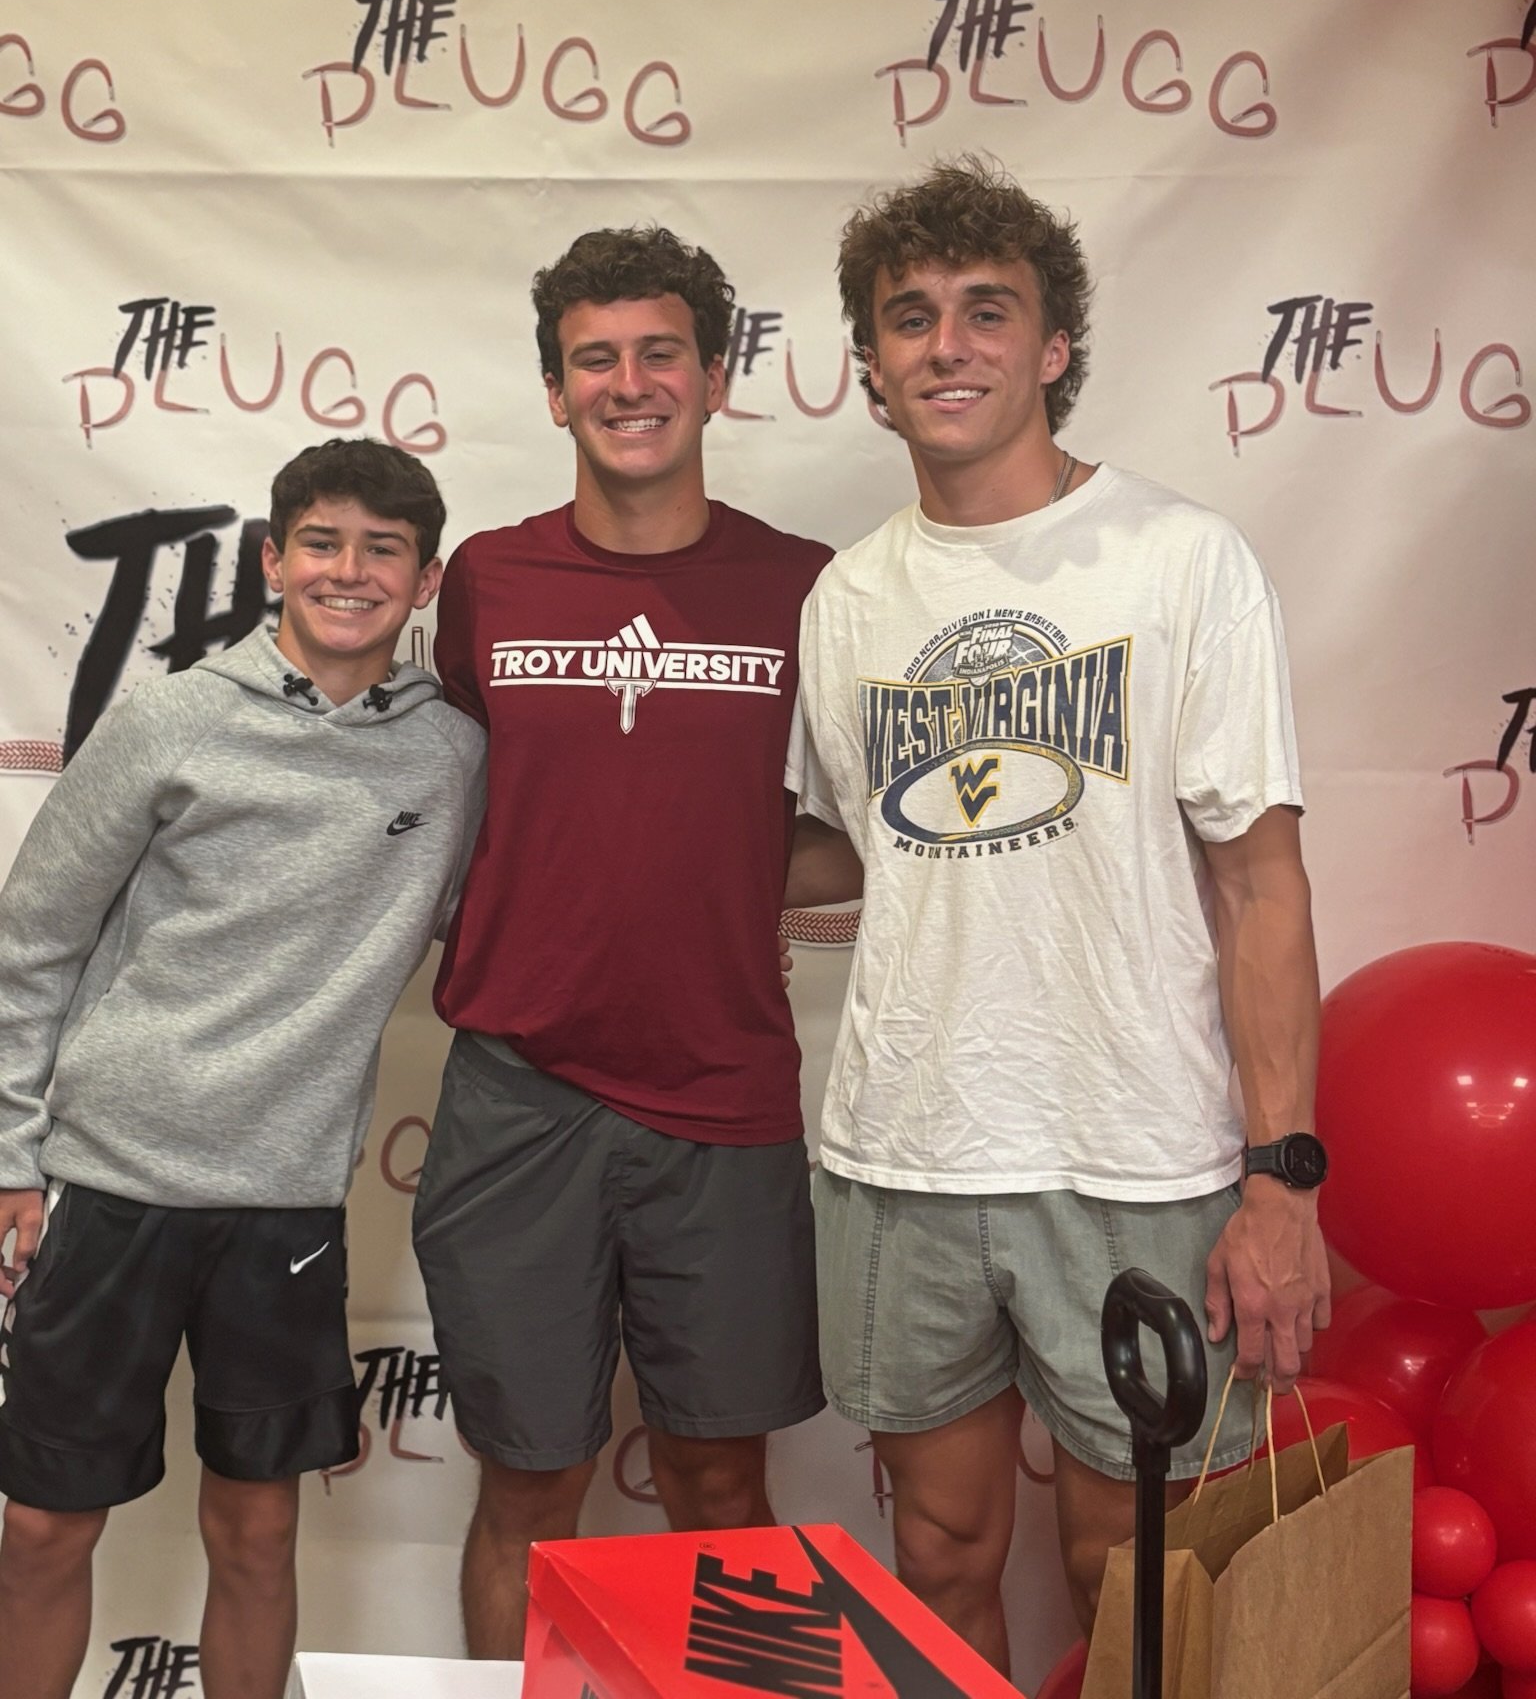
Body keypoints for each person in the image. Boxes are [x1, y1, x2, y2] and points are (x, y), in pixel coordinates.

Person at [785, 156, 1330, 1676]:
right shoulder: (846, 601)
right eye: (910, 317)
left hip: (1135, 1152)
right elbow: (836, 854)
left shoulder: (1184, 559)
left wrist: (1283, 1179)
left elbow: (1261, 882)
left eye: (987, 310)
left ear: (1053, 347)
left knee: (1136, 1577)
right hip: (904, 1149)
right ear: (873, 365)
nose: (946, 344)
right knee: (939, 1553)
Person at [0, 438, 485, 1699]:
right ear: (274, 559)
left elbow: (516, 918)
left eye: (384, 549)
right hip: (110, 1183)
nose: (348, 570)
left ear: (426, 580)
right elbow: (31, 943)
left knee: (260, 1530)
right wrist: (10, 1156)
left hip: (285, 1206)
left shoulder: (454, 757)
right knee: (43, 1524)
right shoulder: (172, 717)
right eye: (321, 541)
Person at [413, 225, 831, 1657]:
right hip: (518, 1092)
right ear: (555, 391)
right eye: (596, 358)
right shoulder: (488, 578)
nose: (630, 383)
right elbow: (450, 799)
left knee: (721, 1481)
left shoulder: (810, 586)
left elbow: (871, 822)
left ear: (715, 379)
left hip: (723, 1090)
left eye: (662, 353)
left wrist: (718, 874)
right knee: (531, 1485)